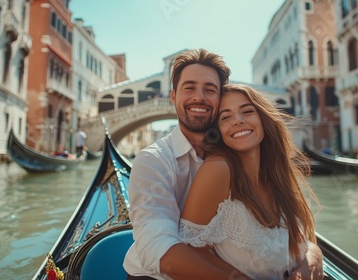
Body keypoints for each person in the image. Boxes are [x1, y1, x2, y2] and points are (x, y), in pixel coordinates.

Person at [124, 48, 322, 279]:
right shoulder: (154, 160)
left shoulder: (246, 161)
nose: (199, 96)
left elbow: (300, 238)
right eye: (189, 88)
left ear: (219, 98)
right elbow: (158, 248)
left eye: (210, 89)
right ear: (173, 97)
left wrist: (314, 256)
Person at [178, 84, 323, 279]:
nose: (238, 120)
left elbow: (303, 241)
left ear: (263, 119)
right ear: (218, 131)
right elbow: (189, 252)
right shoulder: (218, 170)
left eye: (247, 111)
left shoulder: (277, 178)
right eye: (226, 117)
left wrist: (313, 257)